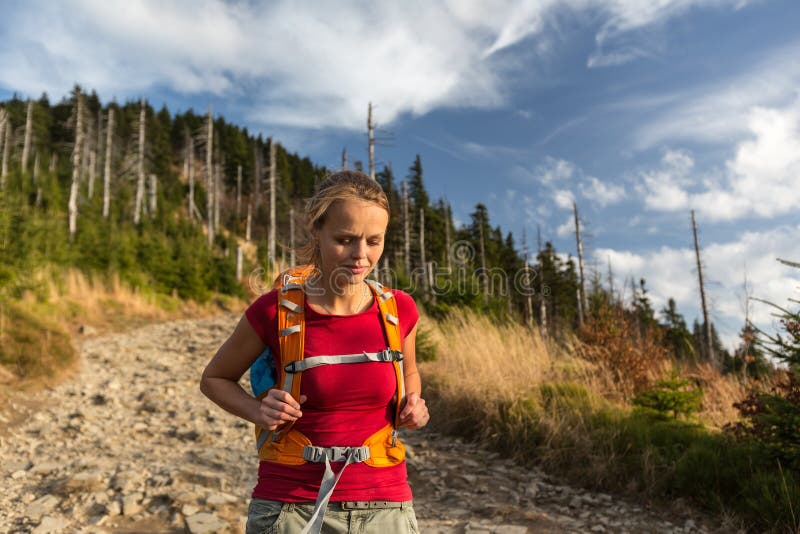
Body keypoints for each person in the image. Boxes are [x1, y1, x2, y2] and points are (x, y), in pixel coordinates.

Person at [200, 170, 430, 534]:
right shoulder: (273, 311)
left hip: (387, 504)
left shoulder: (400, 309)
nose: (361, 255)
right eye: (345, 239)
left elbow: (409, 372)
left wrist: (414, 403)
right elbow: (214, 379)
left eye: (374, 241)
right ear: (315, 230)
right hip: (290, 506)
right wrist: (258, 410)